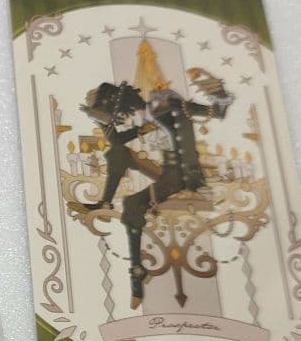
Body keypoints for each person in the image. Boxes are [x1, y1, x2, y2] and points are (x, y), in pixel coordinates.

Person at [82, 72, 233, 307]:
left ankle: (137, 274)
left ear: (123, 108)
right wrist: (106, 120)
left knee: (132, 204)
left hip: (180, 173)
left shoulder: (163, 104)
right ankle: (105, 203)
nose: (121, 123)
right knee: (117, 152)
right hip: (162, 167)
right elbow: (118, 141)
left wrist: (219, 96)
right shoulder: (141, 120)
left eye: (118, 118)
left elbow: (215, 113)